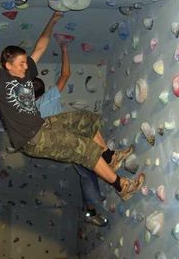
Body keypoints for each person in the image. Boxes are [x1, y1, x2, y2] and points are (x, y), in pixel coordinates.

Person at [0, 6, 145, 201]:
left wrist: (52, 21)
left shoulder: (26, 74)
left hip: (42, 126)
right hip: (31, 139)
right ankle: (122, 186)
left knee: (85, 120)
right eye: (21, 64)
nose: (26, 66)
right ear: (8, 65)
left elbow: (41, 47)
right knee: (83, 149)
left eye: (26, 62)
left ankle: (109, 157)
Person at [33, 44, 134, 226]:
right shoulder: (50, 96)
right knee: (88, 172)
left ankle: (109, 161)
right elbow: (65, 75)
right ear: (42, 90)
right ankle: (92, 210)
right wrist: (64, 50)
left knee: (88, 171)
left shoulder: (31, 111)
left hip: (65, 145)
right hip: (70, 142)